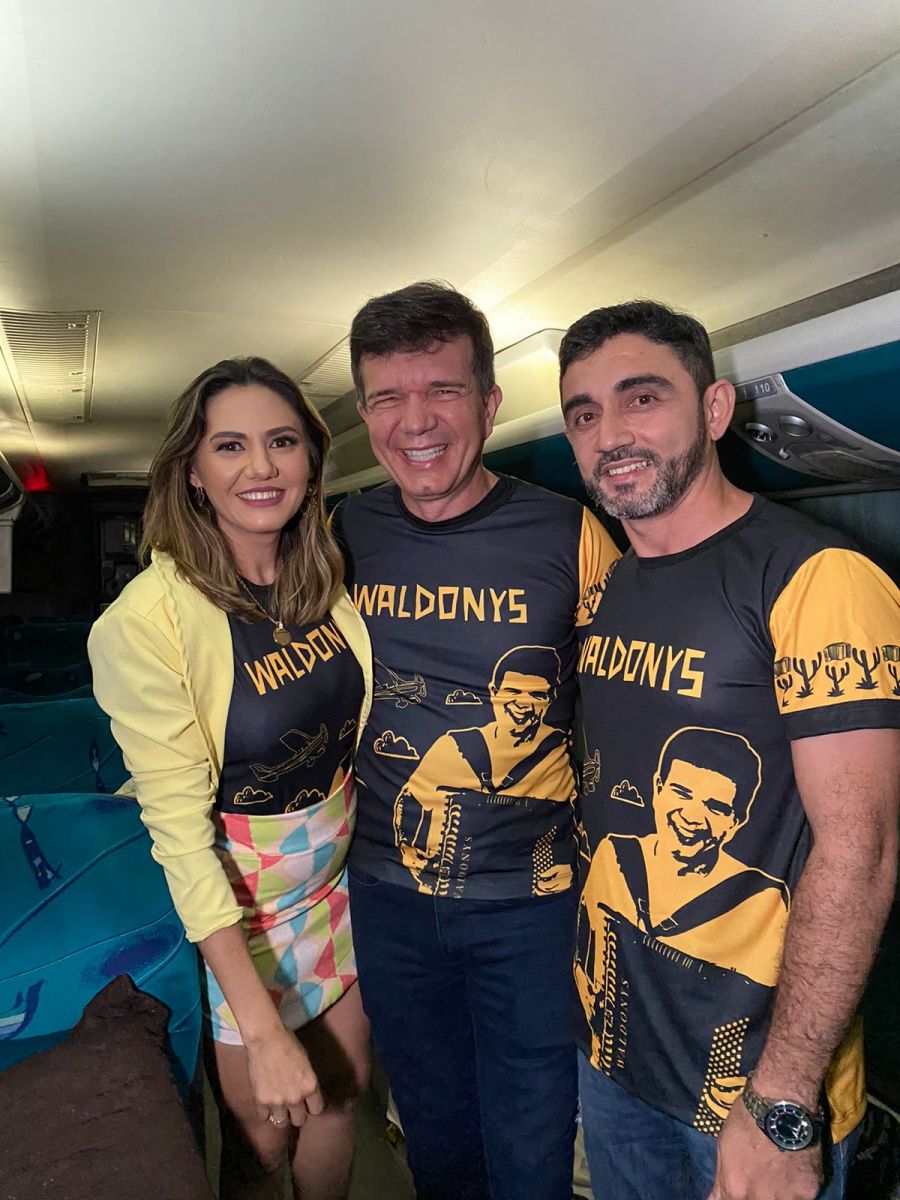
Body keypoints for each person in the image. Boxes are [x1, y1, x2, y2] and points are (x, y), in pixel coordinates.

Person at [559, 299, 900, 1200]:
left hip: (752, 1090)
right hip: (614, 1060)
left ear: (714, 409)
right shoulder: (610, 586)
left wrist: (784, 1100)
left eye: (642, 399)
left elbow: (860, 852)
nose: (610, 434)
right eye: (584, 413)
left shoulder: (815, 579)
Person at [331, 281, 620, 1200]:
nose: (415, 421)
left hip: (533, 908)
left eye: (443, 390)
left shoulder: (571, 532)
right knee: (435, 1138)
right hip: (386, 896)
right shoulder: (343, 532)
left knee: (532, 1145)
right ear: (365, 413)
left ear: (489, 404)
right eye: (387, 396)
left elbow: (631, 699)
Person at [88, 357, 373, 1200]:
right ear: (192, 471)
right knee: (263, 1140)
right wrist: (263, 1026)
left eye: (282, 442)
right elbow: (181, 837)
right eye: (230, 446)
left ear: (311, 458)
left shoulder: (325, 578)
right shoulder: (148, 622)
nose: (261, 467)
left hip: (333, 889)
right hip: (234, 907)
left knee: (340, 1097)